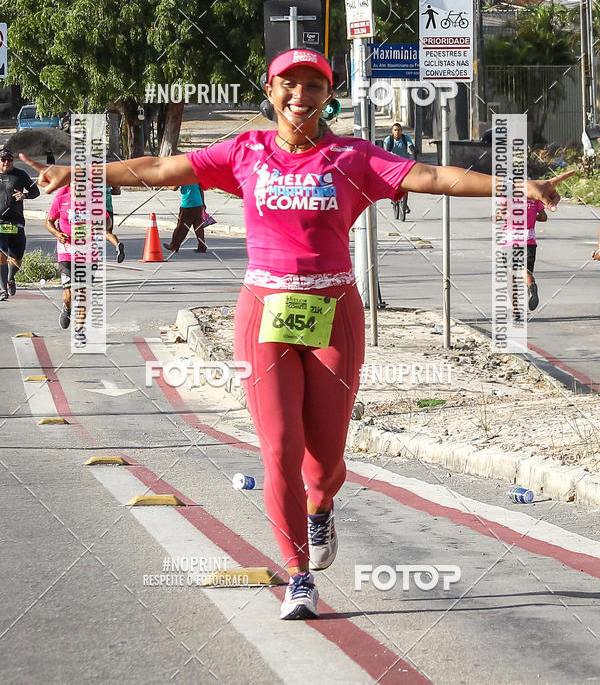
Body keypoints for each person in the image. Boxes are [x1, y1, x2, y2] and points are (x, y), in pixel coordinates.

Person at [21, 48, 573, 621]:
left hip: (336, 311)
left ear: (327, 96)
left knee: (326, 455)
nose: (300, 97)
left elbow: (433, 176)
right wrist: (79, 172)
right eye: (289, 85)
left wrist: (515, 183)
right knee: (280, 447)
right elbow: (162, 171)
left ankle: (321, 504)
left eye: (313, 87)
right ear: (270, 89)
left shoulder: (351, 158)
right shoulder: (245, 152)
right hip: (264, 313)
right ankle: (298, 573)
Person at [45, 184, 111, 329]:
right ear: (70, 186)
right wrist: (57, 233)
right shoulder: (61, 201)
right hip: (67, 251)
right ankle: (67, 308)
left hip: (88, 253)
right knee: (69, 293)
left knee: (83, 291)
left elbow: (107, 220)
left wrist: (101, 226)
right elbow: (49, 221)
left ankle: (80, 327)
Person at [0, 148, 40, 300]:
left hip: (15, 222)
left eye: (9, 160)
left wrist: (25, 195)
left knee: (16, 258)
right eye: (3, 159)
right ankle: (3, 289)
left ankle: (10, 278)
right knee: (1, 255)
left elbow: (36, 191)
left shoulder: (20, 175)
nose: (6, 163)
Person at [497, 194, 547, 314]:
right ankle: (531, 286)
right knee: (526, 271)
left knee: (511, 275)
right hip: (528, 240)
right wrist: (531, 216)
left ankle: (515, 309)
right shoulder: (534, 200)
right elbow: (544, 217)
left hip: (510, 240)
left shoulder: (506, 197)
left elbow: (500, 215)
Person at [384, 123, 416, 220]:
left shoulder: (406, 138)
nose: (397, 132)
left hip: (404, 164)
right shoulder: (388, 140)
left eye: (399, 130)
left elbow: (411, 148)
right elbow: (386, 152)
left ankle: (404, 204)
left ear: (401, 131)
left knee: (406, 185)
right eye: (395, 130)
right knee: (391, 184)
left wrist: (414, 159)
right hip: (393, 165)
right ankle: (393, 199)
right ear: (392, 131)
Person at [163, 183, 207, 253]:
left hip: (187, 205)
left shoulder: (181, 177)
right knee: (198, 228)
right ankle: (202, 246)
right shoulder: (195, 177)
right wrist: (203, 203)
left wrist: (166, 185)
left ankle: (174, 246)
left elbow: (174, 188)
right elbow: (201, 190)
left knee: (181, 227)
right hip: (198, 204)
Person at [105, 185, 125, 263]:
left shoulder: (87, 176)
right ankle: (117, 244)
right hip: (108, 208)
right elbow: (117, 191)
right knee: (107, 232)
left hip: (94, 207)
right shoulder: (110, 176)